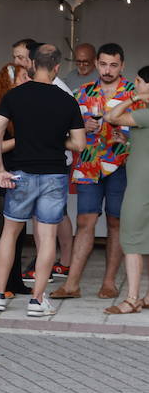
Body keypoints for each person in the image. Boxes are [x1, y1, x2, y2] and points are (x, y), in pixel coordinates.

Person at [0, 44, 86, 318]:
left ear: (32, 65)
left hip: (21, 173)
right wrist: (57, 141)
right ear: (56, 68)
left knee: (9, 233)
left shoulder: (15, 96)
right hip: (53, 175)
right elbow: (78, 143)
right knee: (47, 237)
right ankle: (37, 299)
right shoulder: (67, 100)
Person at [57, 43, 133, 301]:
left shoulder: (134, 93)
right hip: (89, 165)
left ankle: (109, 282)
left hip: (122, 167)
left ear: (122, 65)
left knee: (116, 223)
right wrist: (82, 126)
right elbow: (65, 130)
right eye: (103, 64)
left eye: (113, 65)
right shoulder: (83, 92)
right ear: (97, 64)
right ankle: (71, 284)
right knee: (84, 222)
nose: (108, 70)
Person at [0, 64, 33, 306]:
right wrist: (22, 138)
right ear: (10, 83)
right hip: (1, 173)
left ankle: (15, 281)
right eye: (24, 77)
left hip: (20, 173)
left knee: (19, 232)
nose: (28, 80)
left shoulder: (23, 107)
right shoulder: (1, 110)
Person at [102, 68, 149, 315]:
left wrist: (134, 98)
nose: (135, 85)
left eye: (138, 82)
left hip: (142, 186)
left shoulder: (144, 112)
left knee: (130, 239)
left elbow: (111, 116)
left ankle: (131, 299)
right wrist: (129, 142)